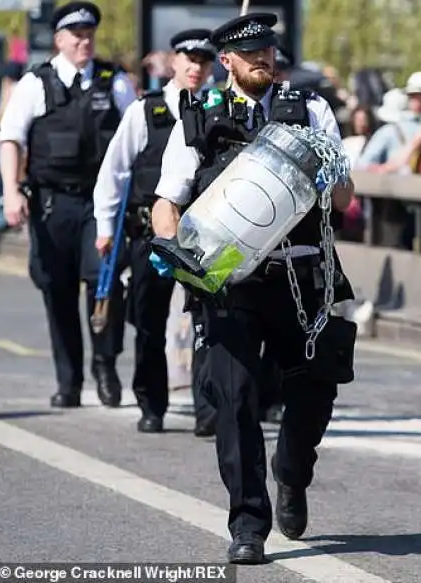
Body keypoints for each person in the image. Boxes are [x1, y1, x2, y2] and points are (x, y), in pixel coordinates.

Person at [148, 13, 357, 564]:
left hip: (303, 274)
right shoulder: (198, 117)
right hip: (231, 283)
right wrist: (174, 250)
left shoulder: (310, 110)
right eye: (251, 52)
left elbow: (344, 195)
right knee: (233, 399)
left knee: (315, 390)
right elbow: (168, 200)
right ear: (228, 63)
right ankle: (248, 524)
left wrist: (330, 178)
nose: (264, 57)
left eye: (268, 49)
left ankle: (292, 470)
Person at [0, 1, 137, 408]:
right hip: (52, 205)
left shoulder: (115, 82)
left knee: (104, 283)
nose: (84, 41)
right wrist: (10, 190)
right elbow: (11, 139)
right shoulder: (35, 83)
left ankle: (105, 366)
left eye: (89, 34)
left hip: (101, 204)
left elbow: (134, 137)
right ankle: (69, 380)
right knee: (57, 292)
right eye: (76, 35)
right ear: (59, 40)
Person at [92, 29, 216, 433]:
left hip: (207, 234)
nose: (196, 67)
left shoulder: (221, 108)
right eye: (189, 59)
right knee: (148, 319)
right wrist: (106, 226)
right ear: (174, 61)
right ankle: (152, 403)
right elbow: (114, 171)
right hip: (151, 231)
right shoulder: (146, 111)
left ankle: (208, 410)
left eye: (204, 60)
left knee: (211, 323)